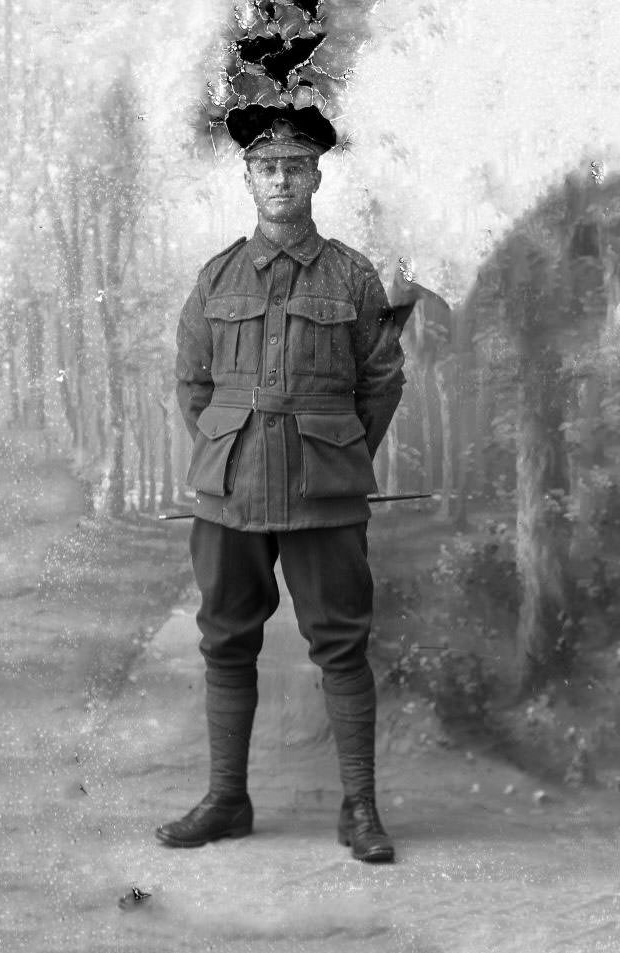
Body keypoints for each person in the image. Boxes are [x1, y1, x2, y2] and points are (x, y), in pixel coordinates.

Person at [156, 107, 405, 863]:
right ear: (248, 179)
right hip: (229, 491)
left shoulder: (355, 275)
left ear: (317, 177)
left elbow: (383, 381)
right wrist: (228, 448)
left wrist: (335, 449)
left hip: (321, 489)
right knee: (226, 640)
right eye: (268, 167)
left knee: (342, 643)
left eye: (296, 166)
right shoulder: (217, 275)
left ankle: (360, 808)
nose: (282, 179)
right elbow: (193, 383)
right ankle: (227, 799)